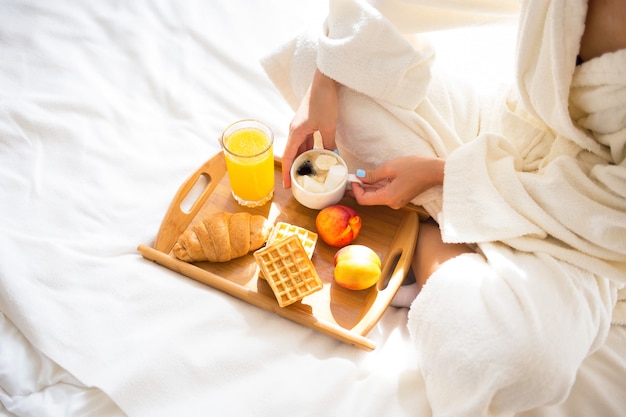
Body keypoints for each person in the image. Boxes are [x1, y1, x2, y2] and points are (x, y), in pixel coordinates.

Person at [263, 0, 626, 415]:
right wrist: (325, 82)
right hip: (503, 132)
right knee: (321, 61)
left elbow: (614, 217)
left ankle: (425, 232)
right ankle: (448, 227)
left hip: (578, 228)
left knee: (516, 361)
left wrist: (444, 176)